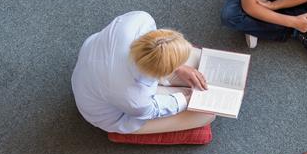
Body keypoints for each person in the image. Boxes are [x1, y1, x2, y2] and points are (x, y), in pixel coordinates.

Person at [71, 11, 214, 134]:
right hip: (111, 111)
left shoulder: (139, 20)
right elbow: (153, 109)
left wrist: (179, 67)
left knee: (199, 61)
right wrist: (186, 99)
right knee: (206, 116)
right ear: (162, 72)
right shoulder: (135, 99)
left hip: (95, 65)